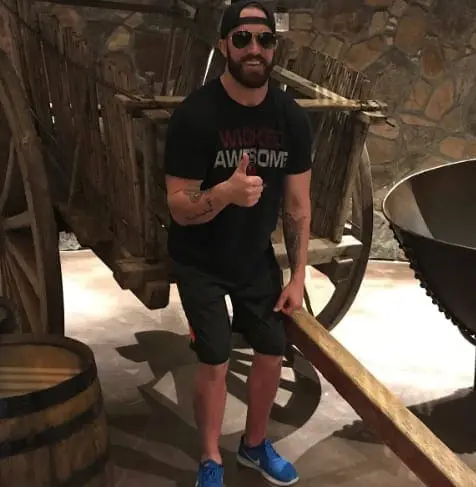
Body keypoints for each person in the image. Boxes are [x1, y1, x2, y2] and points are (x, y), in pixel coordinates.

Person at [163, 1, 312, 486]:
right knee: (215, 356)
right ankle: (210, 458)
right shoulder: (196, 115)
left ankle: (253, 446)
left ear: (274, 48)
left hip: (253, 257)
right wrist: (225, 193)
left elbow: (298, 206)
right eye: (243, 38)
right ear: (224, 45)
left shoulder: (290, 118)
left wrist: (298, 276)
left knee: (272, 348)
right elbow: (178, 206)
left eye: (264, 39)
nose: (254, 49)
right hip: (199, 258)